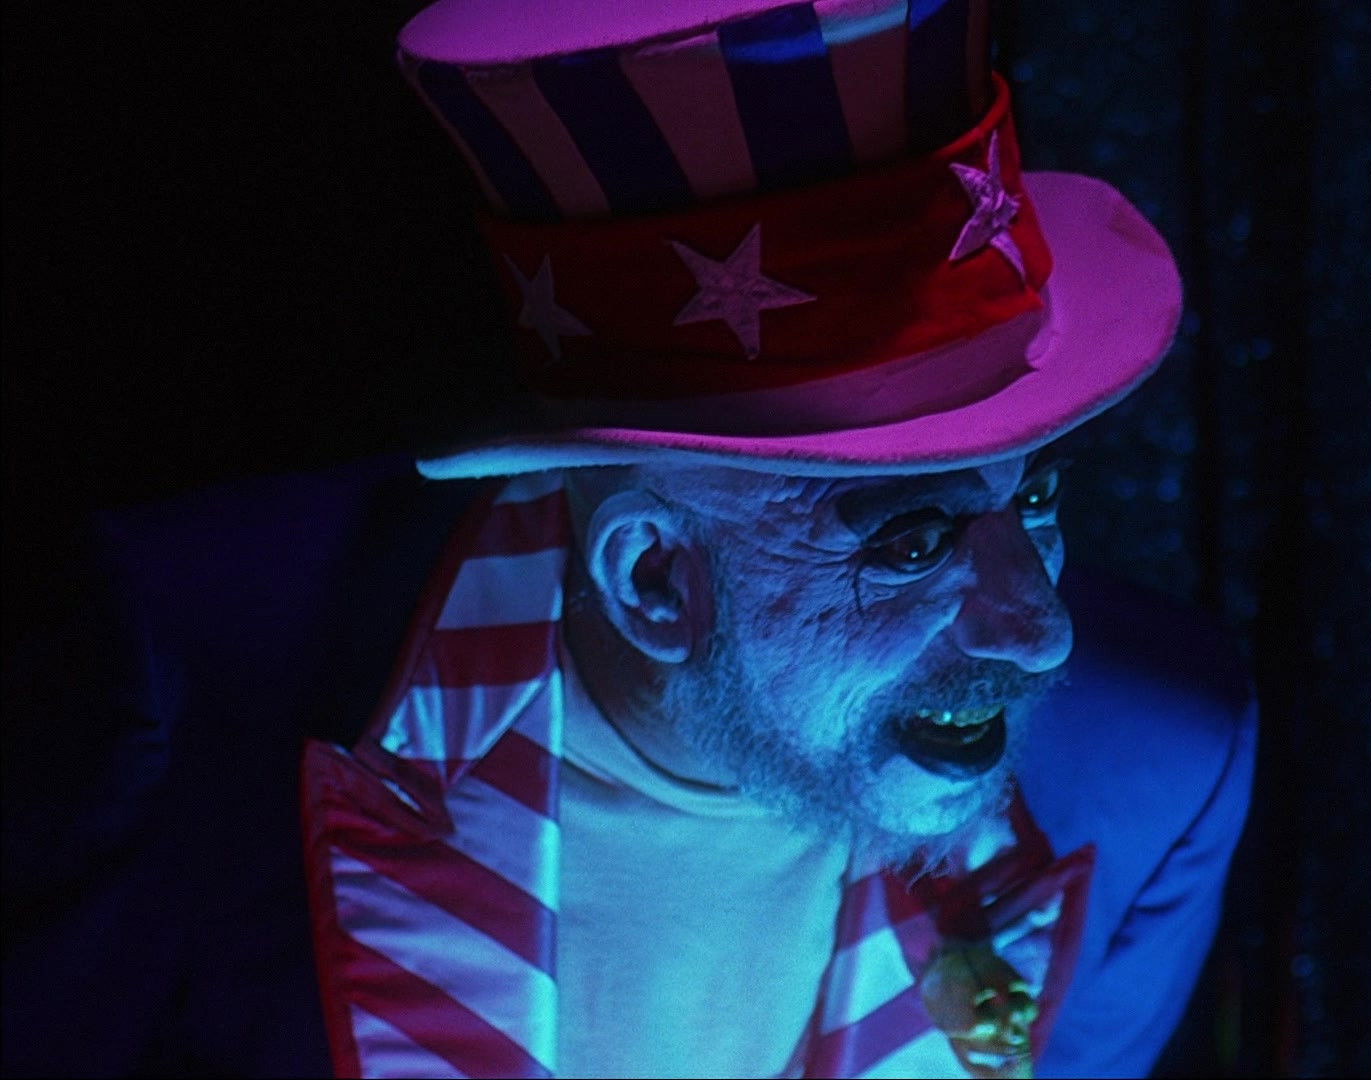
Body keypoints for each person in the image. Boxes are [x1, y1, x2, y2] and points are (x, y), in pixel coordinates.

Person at [0, 1, 1255, 1077]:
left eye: (1034, 499)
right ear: (656, 576)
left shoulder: (1155, 762)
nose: (1040, 632)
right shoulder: (186, 678)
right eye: (914, 542)